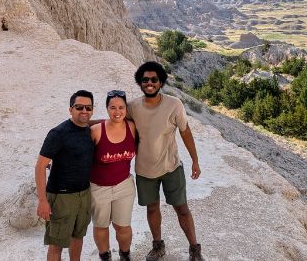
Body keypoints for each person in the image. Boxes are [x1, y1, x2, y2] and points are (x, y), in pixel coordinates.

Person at [129, 61, 204, 261]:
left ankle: (194, 249)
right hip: (145, 170)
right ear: (140, 82)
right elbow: (115, 124)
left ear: (161, 82)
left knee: (181, 208)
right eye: (145, 80)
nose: (149, 83)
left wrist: (195, 160)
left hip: (171, 167)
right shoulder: (133, 106)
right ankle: (158, 245)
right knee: (152, 207)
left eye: (154, 79)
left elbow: (185, 131)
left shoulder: (174, 104)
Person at [35, 90, 95, 261]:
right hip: (61, 197)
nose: (84, 111)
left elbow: (105, 123)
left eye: (88, 107)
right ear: (70, 109)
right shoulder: (58, 133)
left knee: (78, 237)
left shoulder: (89, 129)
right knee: (57, 244)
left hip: (84, 194)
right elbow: (40, 166)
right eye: (79, 107)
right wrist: (42, 200)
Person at [89, 90, 137, 261]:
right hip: (98, 187)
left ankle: (125, 255)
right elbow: (79, 152)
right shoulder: (96, 131)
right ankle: (105, 256)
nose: (117, 112)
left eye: (121, 107)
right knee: (101, 225)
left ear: (126, 108)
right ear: (107, 108)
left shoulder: (132, 127)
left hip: (124, 185)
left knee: (122, 226)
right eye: (113, 107)